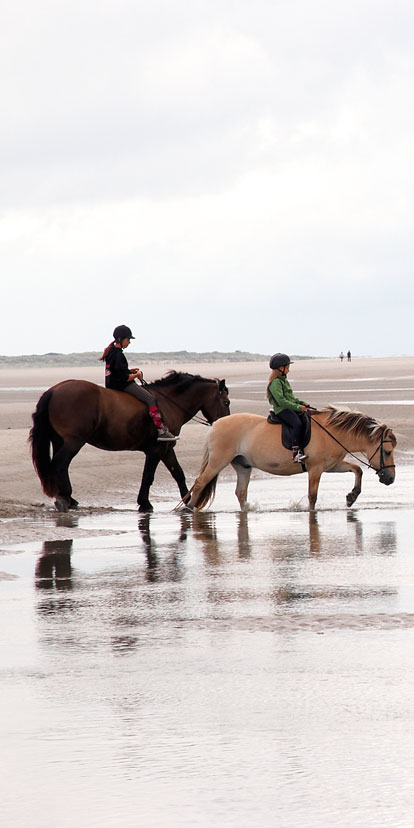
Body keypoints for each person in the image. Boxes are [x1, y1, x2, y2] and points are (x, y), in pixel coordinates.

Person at [99, 325, 176, 441]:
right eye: (128, 339)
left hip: (112, 384)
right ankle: (161, 430)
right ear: (120, 339)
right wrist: (137, 375)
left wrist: (130, 371)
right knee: (150, 399)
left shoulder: (111, 352)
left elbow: (117, 371)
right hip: (122, 385)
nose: (129, 342)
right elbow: (124, 378)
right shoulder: (119, 355)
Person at [267, 353, 310, 462]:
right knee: (297, 424)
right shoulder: (276, 382)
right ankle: (296, 453)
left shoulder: (283, 380)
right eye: (287, 368)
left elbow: (291, 398)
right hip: (282, 409)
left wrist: (301, 403)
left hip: (288, 407)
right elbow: (281, 401)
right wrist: (298, 407)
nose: (289, 370)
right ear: (281, 368)